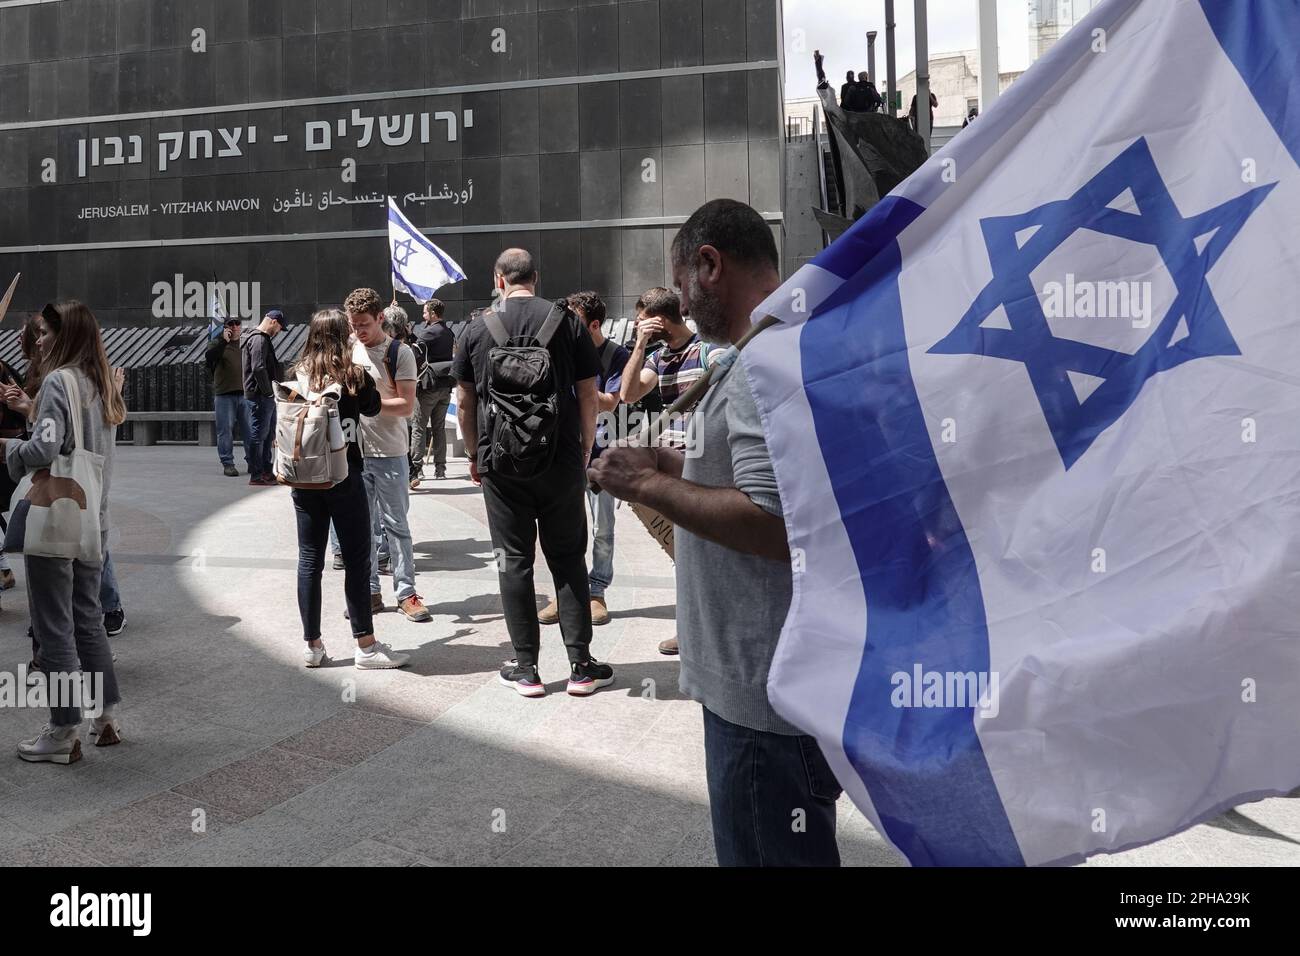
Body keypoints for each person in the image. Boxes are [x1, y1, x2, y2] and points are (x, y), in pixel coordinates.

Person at [589, 198, 842, 867]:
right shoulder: (781, 342)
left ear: (709, 265)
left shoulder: (763, 363)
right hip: (775, 690)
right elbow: (768, 479)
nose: (680, 301)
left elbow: (776, 521)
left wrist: (646, 486)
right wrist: (672, 463)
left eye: (679, 285)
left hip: (759, 703)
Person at [453, 249, 613, 698]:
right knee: (567, 557)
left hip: (501, 464)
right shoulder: (568, 322)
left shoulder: (476, 327)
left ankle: (527, 668)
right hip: (560, 459)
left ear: (498, 278)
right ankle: (581, 666)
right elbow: (588, 393)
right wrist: (583, 448)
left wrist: (473, 453)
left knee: (514, 561)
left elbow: (465, 401)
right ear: (535, 278)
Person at [0, 301, 124, 763]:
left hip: (59, 514)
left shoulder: (58, 380)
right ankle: (105, 714)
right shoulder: (101, 381)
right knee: (88, 618)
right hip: (95, 519)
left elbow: (46, 448)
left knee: (54, 626)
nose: (39, 342)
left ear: (64, 335)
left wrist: (8, 448)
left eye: (45, 333)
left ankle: (62, 729)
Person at [289, 309, 410, 670]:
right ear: (345, 336)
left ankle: (312, 645)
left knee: (309, 560)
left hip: (305, 478)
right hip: (345, 476)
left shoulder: (297, 375)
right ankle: (366, 647)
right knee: (358, 560)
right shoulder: (352, 374)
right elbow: (373, 409)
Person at [618, 286, 720, 656]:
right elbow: (627, 395)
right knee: (686, 555)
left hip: (706, 467)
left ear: (659, 319)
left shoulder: (709, 350)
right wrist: (639, 346)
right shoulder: (658, 358)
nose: (638, 325)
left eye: (641, 320)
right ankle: (692, 629)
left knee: (710, 553)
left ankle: (707, 630)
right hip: (673, 466)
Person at [537, 291, 627, 630]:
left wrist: (579, 389)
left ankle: (597, 591)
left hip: (603, 456)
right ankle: (565, 594)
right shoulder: (564, 349)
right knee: (564, 529)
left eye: (575, 323)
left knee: (602, 528)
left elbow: (611, 401)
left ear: (594, 324)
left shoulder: (616, 354)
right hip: (566, 451)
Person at [343, 288, 431, 623]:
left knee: (397, 525)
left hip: (391, 452)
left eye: (364, 324)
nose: (359, 331)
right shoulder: (350, 349)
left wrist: (367, 406)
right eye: (354, 325)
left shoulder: (399, 353)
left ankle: (406, 592)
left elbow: (407, 406)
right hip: (355, 453)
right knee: (361, 528)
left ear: (381, 317)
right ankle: (369, 592)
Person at [410, 298, 456, 483]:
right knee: (439, 429)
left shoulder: (429, 332)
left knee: (418, 428)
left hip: (428, 386)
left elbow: (414, 352)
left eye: (425, 312)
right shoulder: (450, 332)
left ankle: (416, 469)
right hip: (446, 386)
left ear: (433, 314)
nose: (423, 315)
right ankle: (440, 469)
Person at [241, 308, 285, 486]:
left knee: (267, 435)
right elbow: (258, 368)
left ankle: (266, 470)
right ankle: (257, 474)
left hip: (264, 396)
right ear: (273, 321)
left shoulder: (258, 338)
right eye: (280, 327)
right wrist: (268, 392)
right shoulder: (259, 339)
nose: (279, 331)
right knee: (259, 434)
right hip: (261, 396)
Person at [206, 316, 252, 477]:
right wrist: (224, 341)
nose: (234, 327)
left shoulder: (247, 343)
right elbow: (209, 358)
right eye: (230, 324)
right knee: (225, 431)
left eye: (237, 323)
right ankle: (228, 464)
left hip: (246, 395)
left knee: (250, 431)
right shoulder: (217, 343)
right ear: (225, 327)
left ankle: (253, 462)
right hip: (224, 395)